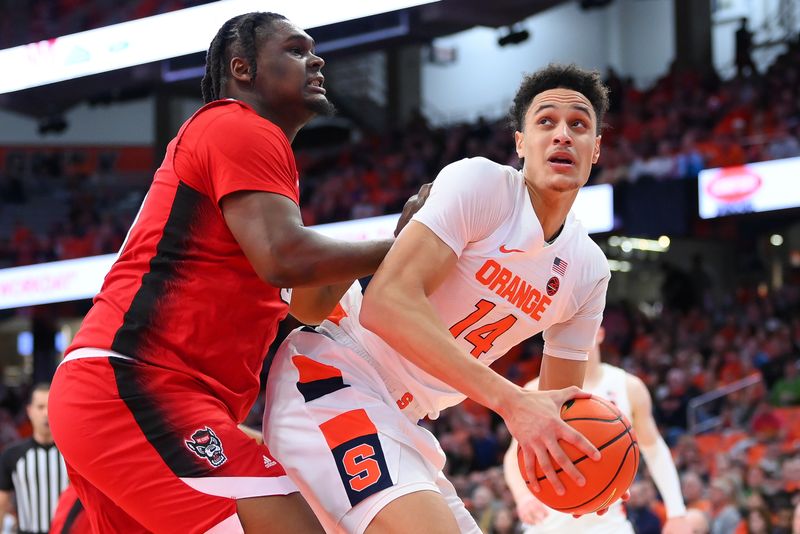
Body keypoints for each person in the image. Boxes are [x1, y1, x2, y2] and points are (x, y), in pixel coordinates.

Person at [48, 11, 427, 534]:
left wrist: (394, 252)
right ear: (243, 69)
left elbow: (307, 303)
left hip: (124, 395)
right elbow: (284, 258)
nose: (316, 59)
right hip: (136, 386)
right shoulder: (236, 125)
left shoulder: (253, 178)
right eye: (295, 50)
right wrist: (406, 244)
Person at [264, 63, 612, 533]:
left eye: (579, 125)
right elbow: (387, 304)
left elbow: (559, 408)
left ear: (596, 150)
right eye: (545, 122)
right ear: (520, 143)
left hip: (405, 419)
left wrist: (589, 465)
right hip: (335, 371)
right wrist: (510, 401)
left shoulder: (588, 271)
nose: (563, 135)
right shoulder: (482, 185)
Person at [503, 327, 690, 533]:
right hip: (548, 523)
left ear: (600, 333)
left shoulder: (628, 386)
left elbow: (654, 450)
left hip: (609, 524)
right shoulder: (535, 389)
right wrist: (523, 498)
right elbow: (514, 456)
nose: (576, 335)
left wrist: (677, 512)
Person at [0, 384, 69, 534]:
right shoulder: (12, 455)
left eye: (50, 406)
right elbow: (2, 504)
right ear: (29, 411)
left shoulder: (72, 455)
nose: (46, 413)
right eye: (40, 407)